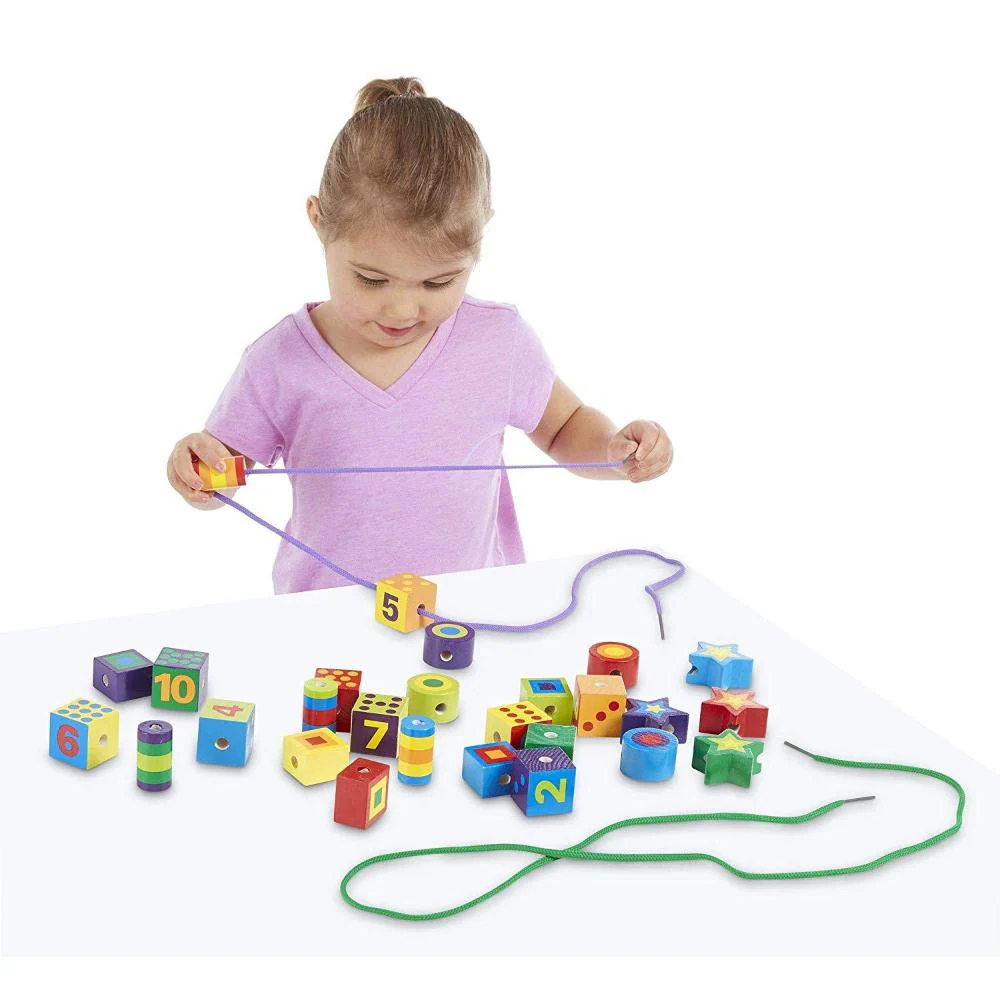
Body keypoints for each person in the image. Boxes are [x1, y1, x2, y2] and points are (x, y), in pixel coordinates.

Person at [166, 77, 673, 595]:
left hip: (473, 608)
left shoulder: (498, 342)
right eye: (372, 279)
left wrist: (613, 449)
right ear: (319, 221)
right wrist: (198, 466)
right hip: (323, 615)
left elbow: (564, 426)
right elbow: (224, 462)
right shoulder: (279, 361)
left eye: (438, 282)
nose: (403, 309)